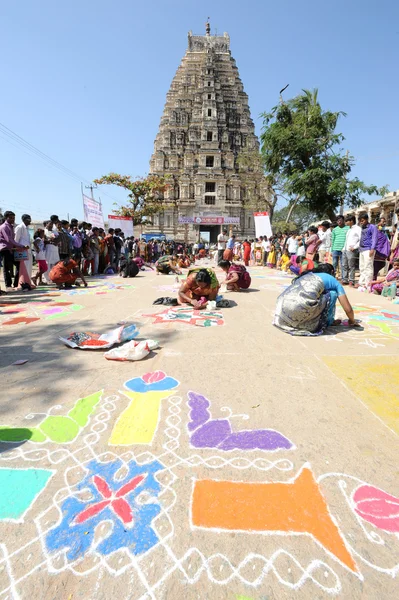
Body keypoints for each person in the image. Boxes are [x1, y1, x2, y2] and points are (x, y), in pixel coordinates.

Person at [274, 264, 358, 336]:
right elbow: (348, 309)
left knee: (317, 294)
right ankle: (328, 322)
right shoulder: (332, 280)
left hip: (281, 310)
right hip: (298, 309)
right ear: (332, 272)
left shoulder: (309, 275)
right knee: (332, 293)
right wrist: (352, 320)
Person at [0, 211, 29, 289]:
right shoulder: (4, 227)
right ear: (6, 218)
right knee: (7, 268)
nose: (13, 219)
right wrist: (21, 246)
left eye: (14, 218)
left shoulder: (11, 226)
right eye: (11, 218)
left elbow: (13, 240)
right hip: (5, 249)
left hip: (12, 249)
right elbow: (9, 239)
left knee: (19, 266)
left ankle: (16, 283)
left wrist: (18, 247)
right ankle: (8, 285)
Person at [357, 213, 378, 289]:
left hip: (368, 249)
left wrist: (372, 249)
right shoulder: (362, 227)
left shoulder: (373, 227)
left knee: (368, 267)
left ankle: (368, 284)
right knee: (362, 267)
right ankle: (362, 283)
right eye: (360, 221)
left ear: (366, 219)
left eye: (362, 221)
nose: (361, 222)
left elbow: (374, 238)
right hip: (362, 249)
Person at [341, 215, 361, 286]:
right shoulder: (349, 229)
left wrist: (355, 247)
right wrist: (343, 248)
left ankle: (351, 280)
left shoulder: (358, 229)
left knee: (351, 266)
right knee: (344, 265)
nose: (345, 222)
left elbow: (361, 239)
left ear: (351, 221)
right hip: (345, 249)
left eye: (347, 221)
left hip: (351, 250)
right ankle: (344, 279)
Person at [14, 214, 33, 279]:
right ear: (24, 220)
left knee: (28, 267)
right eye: (29, 219)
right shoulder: (19, 227)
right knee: (23, 267)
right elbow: (16, 240)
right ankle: (23, 282)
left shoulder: (27, 228)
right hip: (22, 251)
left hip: (28, 251)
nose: (30, 221)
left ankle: (27, 282)